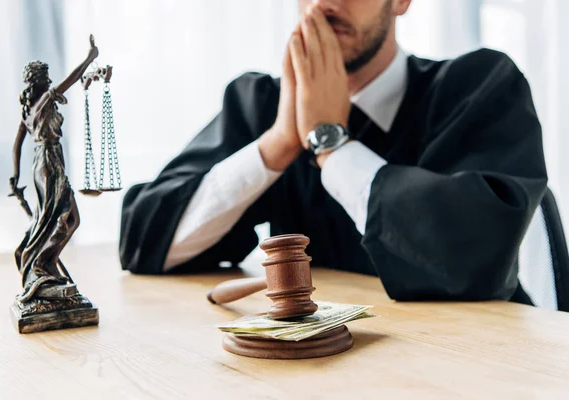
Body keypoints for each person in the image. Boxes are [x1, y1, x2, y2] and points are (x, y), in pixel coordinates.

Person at [119, 0, 547, 304]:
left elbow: (472, 261)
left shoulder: (479, 86)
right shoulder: (265, 104)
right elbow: (144, 241)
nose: (324, 2)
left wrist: (330, 143)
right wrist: (281, 141)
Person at [10, 37, 99, 302]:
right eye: (46, 77)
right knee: (64, 219)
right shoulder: (45, 101)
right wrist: (90, 57)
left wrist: (14, 178)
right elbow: (70, 80)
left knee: (61, 219)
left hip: (44, 162)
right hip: (49, 162)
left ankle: (45, 263)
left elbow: (17, 145)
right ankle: (41, 266)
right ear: (39, 81)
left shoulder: (29, 111)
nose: (50, 81)